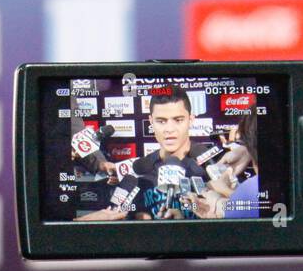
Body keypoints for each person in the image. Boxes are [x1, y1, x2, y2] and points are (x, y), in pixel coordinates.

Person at [80, 84, 213, 220]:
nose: (169, 129)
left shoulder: (213, 167)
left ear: (191, 120)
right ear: (151, 122)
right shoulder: (138, 171)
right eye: (161, 121)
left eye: (178, 120)